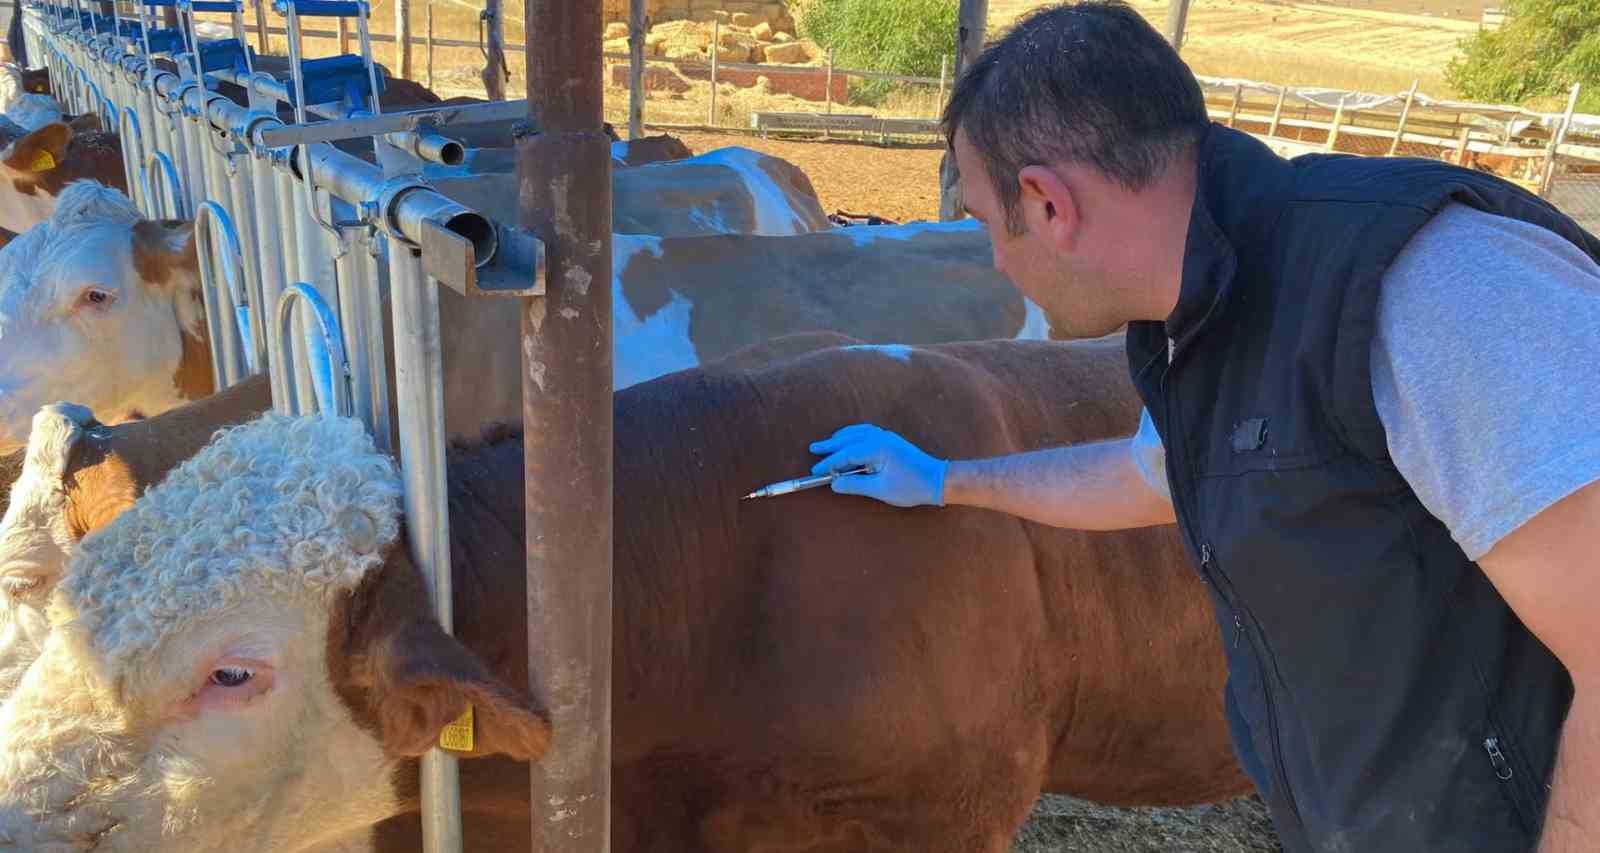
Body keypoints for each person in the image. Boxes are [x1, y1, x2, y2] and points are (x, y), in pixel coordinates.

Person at [803, 2, 1600, 851]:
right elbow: (1153, 476)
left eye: (982, 224)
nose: (994, 260)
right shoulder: (1208, 314)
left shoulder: (1429, 289)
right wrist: (942, 479)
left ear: (1045, 203)